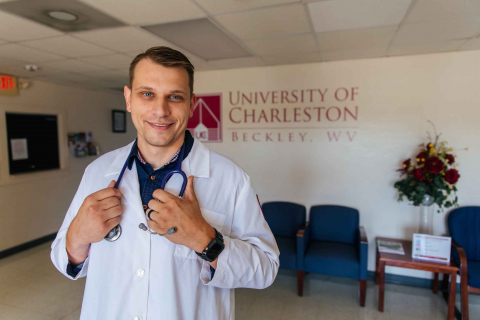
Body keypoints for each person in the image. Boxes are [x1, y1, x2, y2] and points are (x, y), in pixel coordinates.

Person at [50, 46, 279, 320]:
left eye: (175, 97)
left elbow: (266, 268)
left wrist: (204, 239)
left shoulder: (230, 178)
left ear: (191, 104)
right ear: (128, 99)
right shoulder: (97, 171)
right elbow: (63, 258)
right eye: (147, 94)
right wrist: (78, 235)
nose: (160, 110)